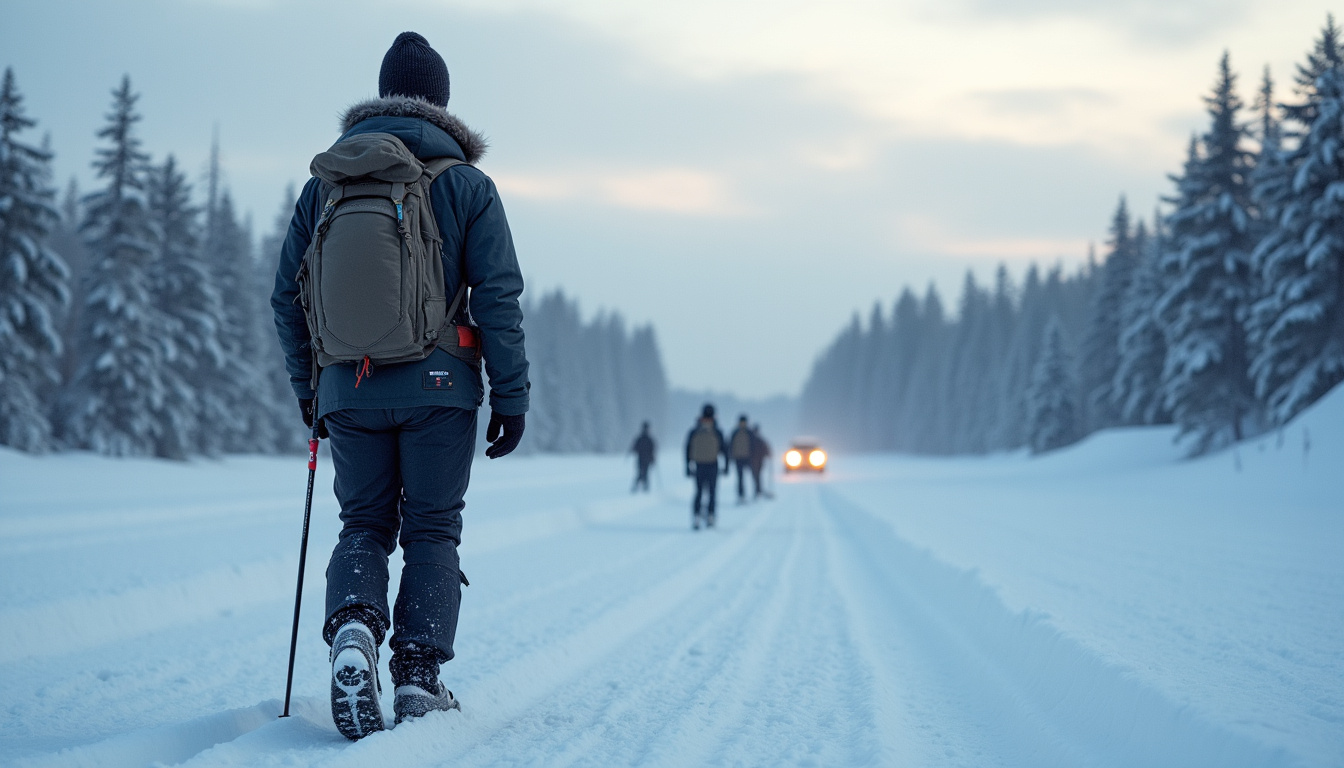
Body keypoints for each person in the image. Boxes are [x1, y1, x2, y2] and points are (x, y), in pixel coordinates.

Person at [271, 32, 530, 740]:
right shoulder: (467, 185)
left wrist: (311, 391)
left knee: (363, 524)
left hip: (347, 390)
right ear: (441, 102)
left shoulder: (323, 186)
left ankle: (353, 626)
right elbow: (498, 298)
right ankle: (417, 676)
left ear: (381, 96)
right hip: (441, 388)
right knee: (432, 529)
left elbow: (284, 298)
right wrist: (512, 396)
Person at [684, 404, 729, 529]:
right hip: (713, 465)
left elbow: (687, 449)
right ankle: (711, 516)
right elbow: (725, 450)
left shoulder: (694, 431)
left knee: (698, 492)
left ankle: (696, 516)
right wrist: (726, 467)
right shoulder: (717, 431)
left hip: (698, 465)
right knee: (712, 492)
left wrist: (687, 467)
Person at [728, 415, 754, 503]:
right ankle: (741, 495)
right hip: (738, 458)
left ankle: (756, 492)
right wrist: (731, 456)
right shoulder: (735, 432)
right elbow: (730, 445)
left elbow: (754, 445)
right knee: (740, 478)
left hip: (748, 457)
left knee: (753, 476)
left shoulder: (749, 432)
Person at [630, 421, 657, 493]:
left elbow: (652, 450)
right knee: (642, 473)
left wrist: (653, 458)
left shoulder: (642, 438)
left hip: (643, 459)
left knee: (642, 473)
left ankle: (643, 488)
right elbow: (652, 450)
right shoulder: (646, 439)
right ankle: (644, 488)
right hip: (643, 459)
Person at [749, 423, 773, 500]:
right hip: (757, 461)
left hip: (755, 461)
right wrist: (768, 454)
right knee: (757, 476)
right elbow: (766, 449)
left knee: (756, 476)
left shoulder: (752, 440)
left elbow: (766, 449)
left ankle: (758, 491)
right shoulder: (759, 440)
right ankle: (758, 490)